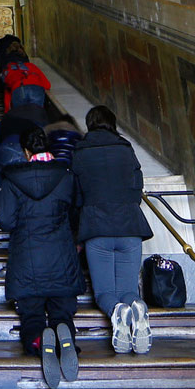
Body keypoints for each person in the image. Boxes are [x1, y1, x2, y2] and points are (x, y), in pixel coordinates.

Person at [0, 129, 83, 389]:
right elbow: (77, 211)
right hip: (62, 256)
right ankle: (63, 333)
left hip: (26, 257)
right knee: (62, 310)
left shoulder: (12, 180)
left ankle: (37, 338)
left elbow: (5, 221)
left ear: (26, 152)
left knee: (31, 314)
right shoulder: (66, 176)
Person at [70, 106, 154, 355]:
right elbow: (137, 186)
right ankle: (137, 306)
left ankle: (118, 312)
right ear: (113, 123)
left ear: (89, 124)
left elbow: (76, 196)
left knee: (106, 293)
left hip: (97, 228)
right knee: (128, 289)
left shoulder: (80, 152)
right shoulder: (126, 150)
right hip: (130, 226)